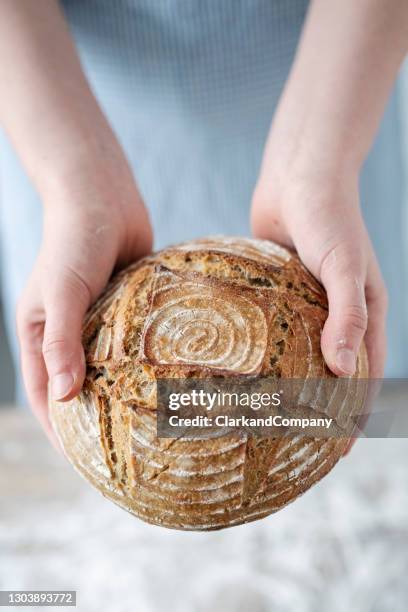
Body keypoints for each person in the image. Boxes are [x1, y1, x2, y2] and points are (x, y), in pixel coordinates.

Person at [0, 0, 407, 441]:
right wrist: (76, 191)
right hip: (57, 110)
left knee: (336, 390)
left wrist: (318, 168)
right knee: (92, 408)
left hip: (338, 92)